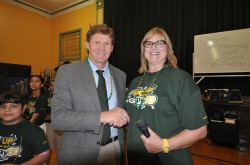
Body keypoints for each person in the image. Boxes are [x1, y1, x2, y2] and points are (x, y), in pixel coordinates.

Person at [125, 27, 208, 165]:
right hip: (137, 160)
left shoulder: (180, 79)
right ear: (143, 49)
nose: (154, 47)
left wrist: (164, 145)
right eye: (149, 43)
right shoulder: (134, 83)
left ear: (168, 48)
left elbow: (200, 130)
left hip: (170, 159)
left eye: (160, 43)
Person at [52, 24, 130, 165]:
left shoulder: (120, 75)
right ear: (87, 44)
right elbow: (58, 118)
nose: (102, 47)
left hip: (114, 150)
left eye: (107, 43)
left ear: (112, 48)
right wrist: (102, 116)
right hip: (79, 153)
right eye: (97, 42)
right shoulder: (67, 72)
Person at [0, 91, 50, 164]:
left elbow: (44, 154)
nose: (7, 110)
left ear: (24, 108)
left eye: (13, 106)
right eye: (3, 106)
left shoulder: (33, 130)